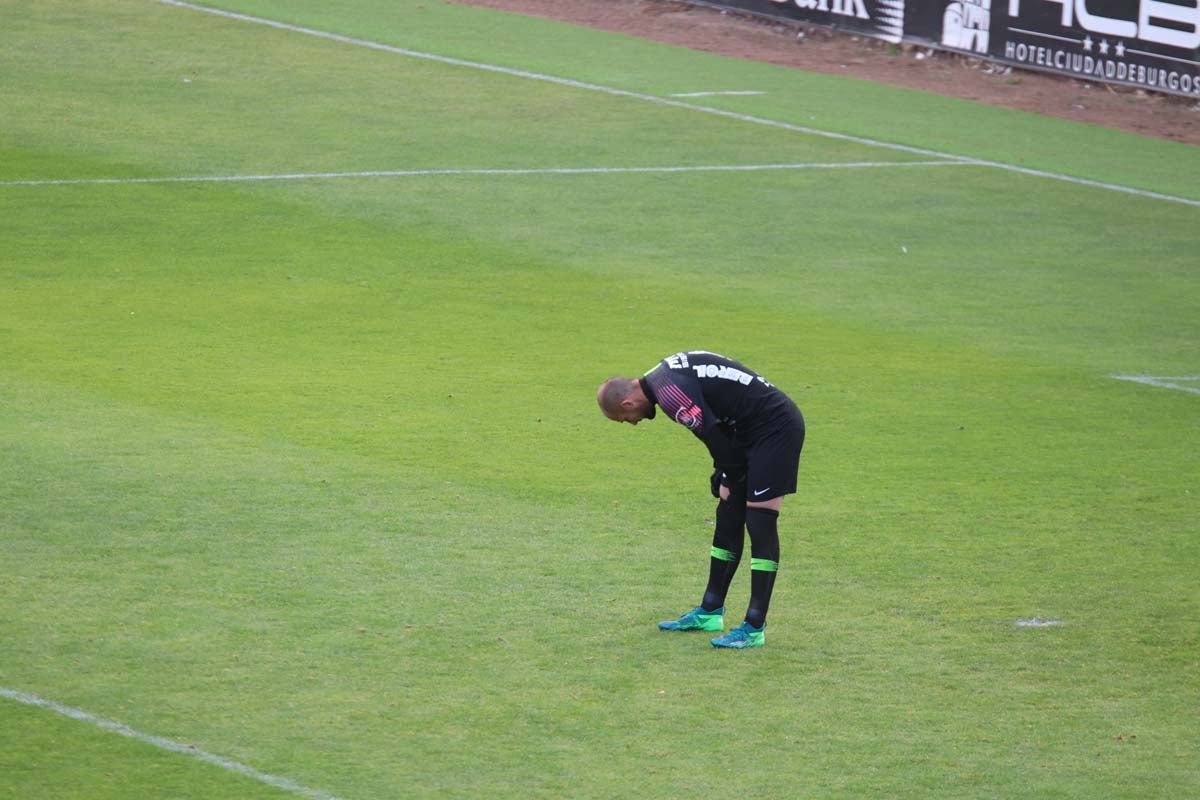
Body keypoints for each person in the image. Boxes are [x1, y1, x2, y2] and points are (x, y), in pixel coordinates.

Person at [597, 350, 806, 649]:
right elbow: (719, 421)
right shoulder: (664, 376)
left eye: (623, 419)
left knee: (759, 520)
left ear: (627, 403)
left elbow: (713, 436)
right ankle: (710, 610)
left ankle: (754, 626)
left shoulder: (669, 393)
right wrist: (724, 471)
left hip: (775, 429)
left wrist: (731, 472)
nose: (631, 423)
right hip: (746, 429)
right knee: (728, 512)